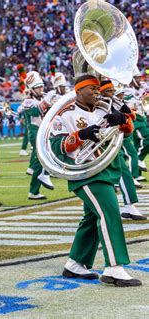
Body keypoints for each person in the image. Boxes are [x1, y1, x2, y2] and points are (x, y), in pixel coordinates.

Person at [51, 75, 141, 287]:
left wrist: (123, 121)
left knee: (92, 217)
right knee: (109, 212)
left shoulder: (104, 109)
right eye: (92, 89)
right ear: (79, 91)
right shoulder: (64, 114)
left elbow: (126, 134)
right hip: (85, 173)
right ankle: (114, 267)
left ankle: (75, 262)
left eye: (98, 88)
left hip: (107, 169)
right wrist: (81, 135)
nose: (97, 92)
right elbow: (56, 147)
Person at [99, 80, 146, 220]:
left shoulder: (115, 102)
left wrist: (126, 113)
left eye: (112, 91)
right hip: (96, 142)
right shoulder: (95, 104)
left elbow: (132, 118)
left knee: (122, 170)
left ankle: (129, 205)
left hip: (111, 141)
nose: (112, 94)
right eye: (108, 91)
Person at [21, 71, 54, 199]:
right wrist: (47, 100)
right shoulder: (28, 102)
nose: (41, 89)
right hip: (35, 132)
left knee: (39, 162)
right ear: (31, 89)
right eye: (38, 87)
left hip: (44, 131)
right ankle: (43, 176)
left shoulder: (42, 98)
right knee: (45, 155)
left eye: (41, 86)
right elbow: (37, 110)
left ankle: (34, 191)